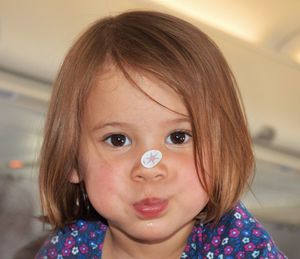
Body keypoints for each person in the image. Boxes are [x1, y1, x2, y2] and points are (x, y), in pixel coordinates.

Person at [35, 11, 286, 259]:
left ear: (223, 149)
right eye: (117, 140)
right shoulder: (64, 248)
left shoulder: (245, 249)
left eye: (178, 137)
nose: (149, 168)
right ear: (72, 158)